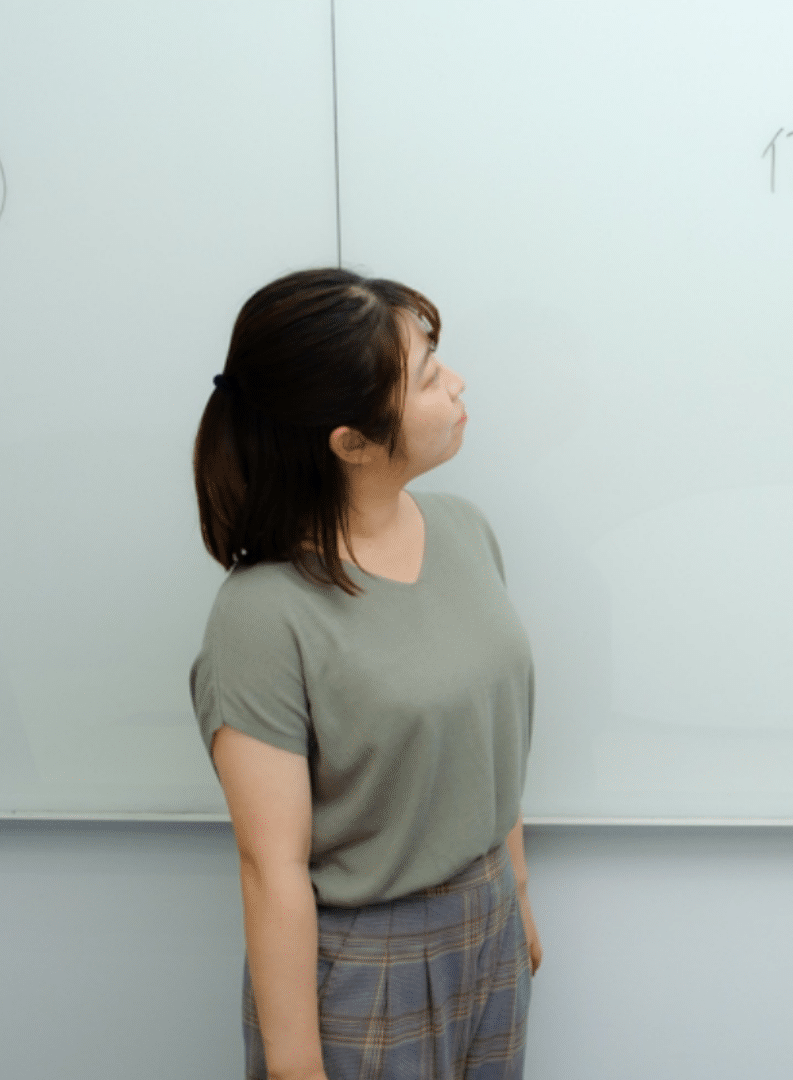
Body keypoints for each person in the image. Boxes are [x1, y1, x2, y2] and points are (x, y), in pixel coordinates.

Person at [190, 268, 540, 1080]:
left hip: (490, 927)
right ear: (350, 442)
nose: (457, 384)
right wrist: (296, 1067)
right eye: (428, 376)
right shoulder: (263, 613)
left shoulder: (465, 531)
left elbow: (486, 740)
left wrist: (517, 895)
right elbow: (271, 870)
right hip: (366, 966)